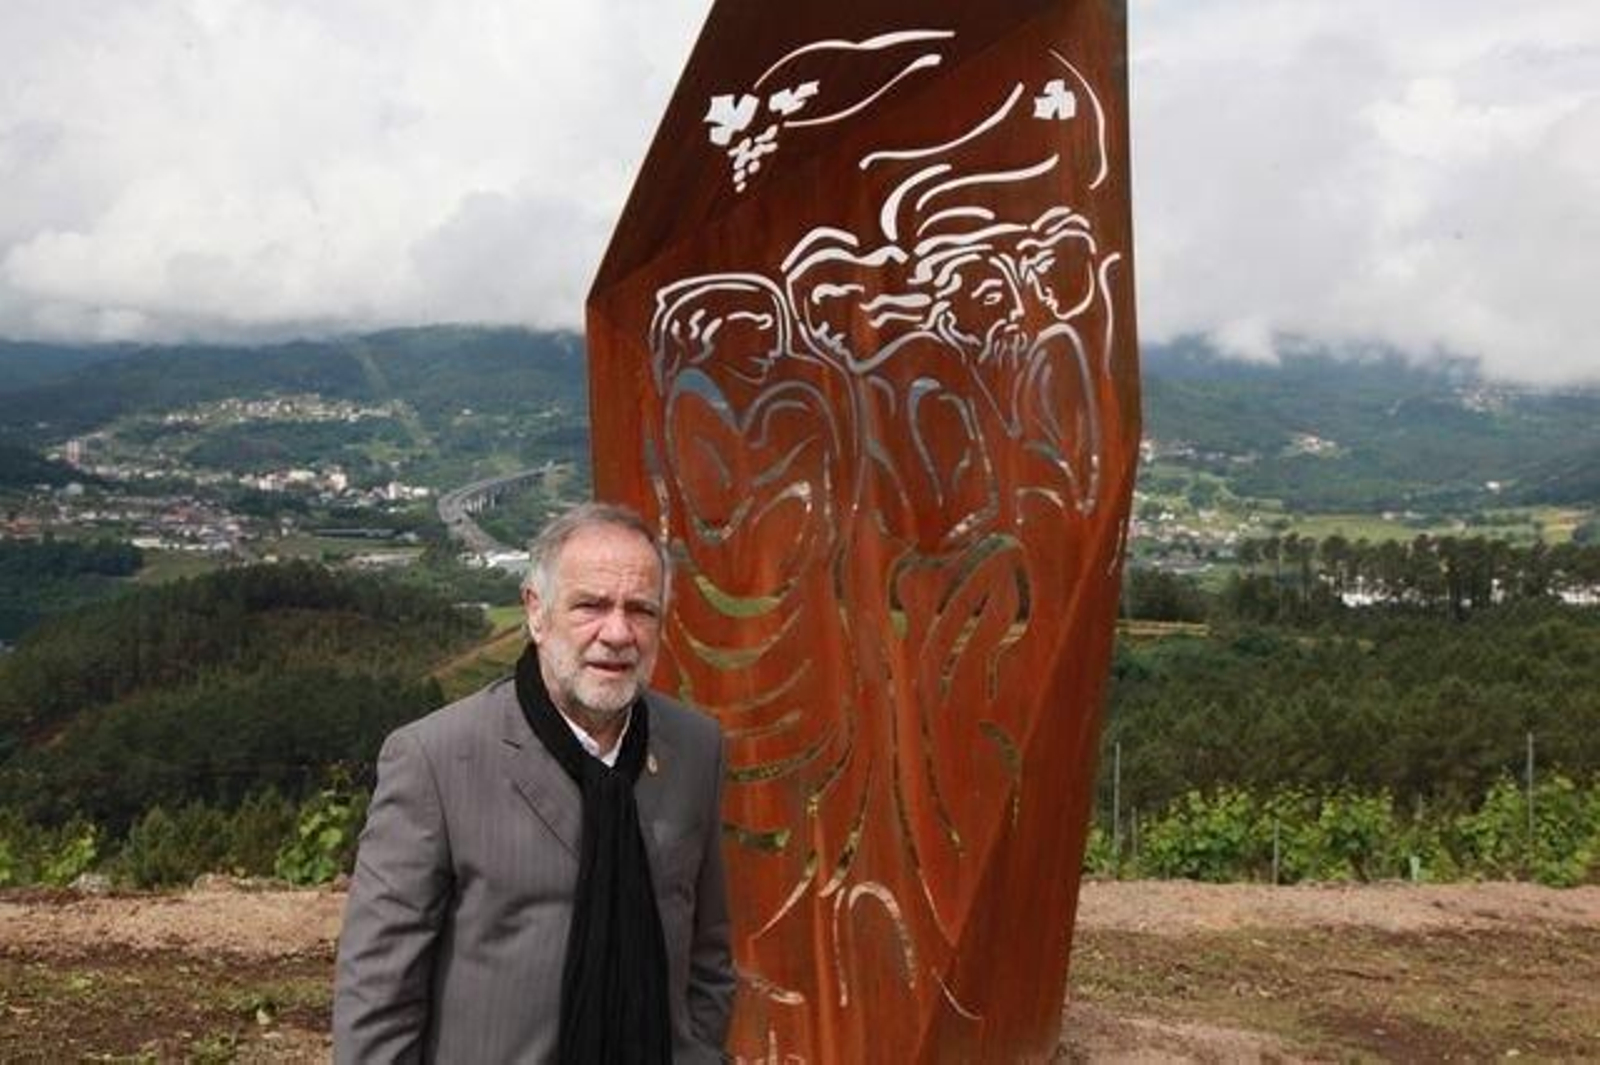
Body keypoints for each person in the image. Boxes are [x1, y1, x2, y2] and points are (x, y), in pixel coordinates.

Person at [334, 502, 735, 1063]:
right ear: (536, 613)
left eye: (640, 610)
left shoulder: (694, 749)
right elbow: (378, 993)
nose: (618, 633)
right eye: (591, 605)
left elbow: (708, 954)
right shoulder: (437, 759)